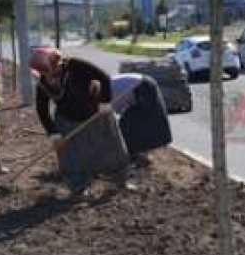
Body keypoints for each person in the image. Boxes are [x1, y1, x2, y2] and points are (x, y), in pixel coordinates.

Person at [30, 48, 127, 193]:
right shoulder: (43, 82)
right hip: (67, 119)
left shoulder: (75, 66)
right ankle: (78, 187)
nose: (47, 74)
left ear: (57, 62)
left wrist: (105, 102)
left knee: (110, 148)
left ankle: (118, 180)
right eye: (42, 71)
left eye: (49, 69)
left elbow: (104, 77)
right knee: (70, 157)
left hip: (95, 113)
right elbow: (42, 109)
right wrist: (54, 133)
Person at [110, 73, 173, 167]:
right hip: (139, 87)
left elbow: (112, 116)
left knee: (142, 121)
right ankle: (137, 155)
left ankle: (141, 156)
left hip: (143, 86)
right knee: (127, 123)